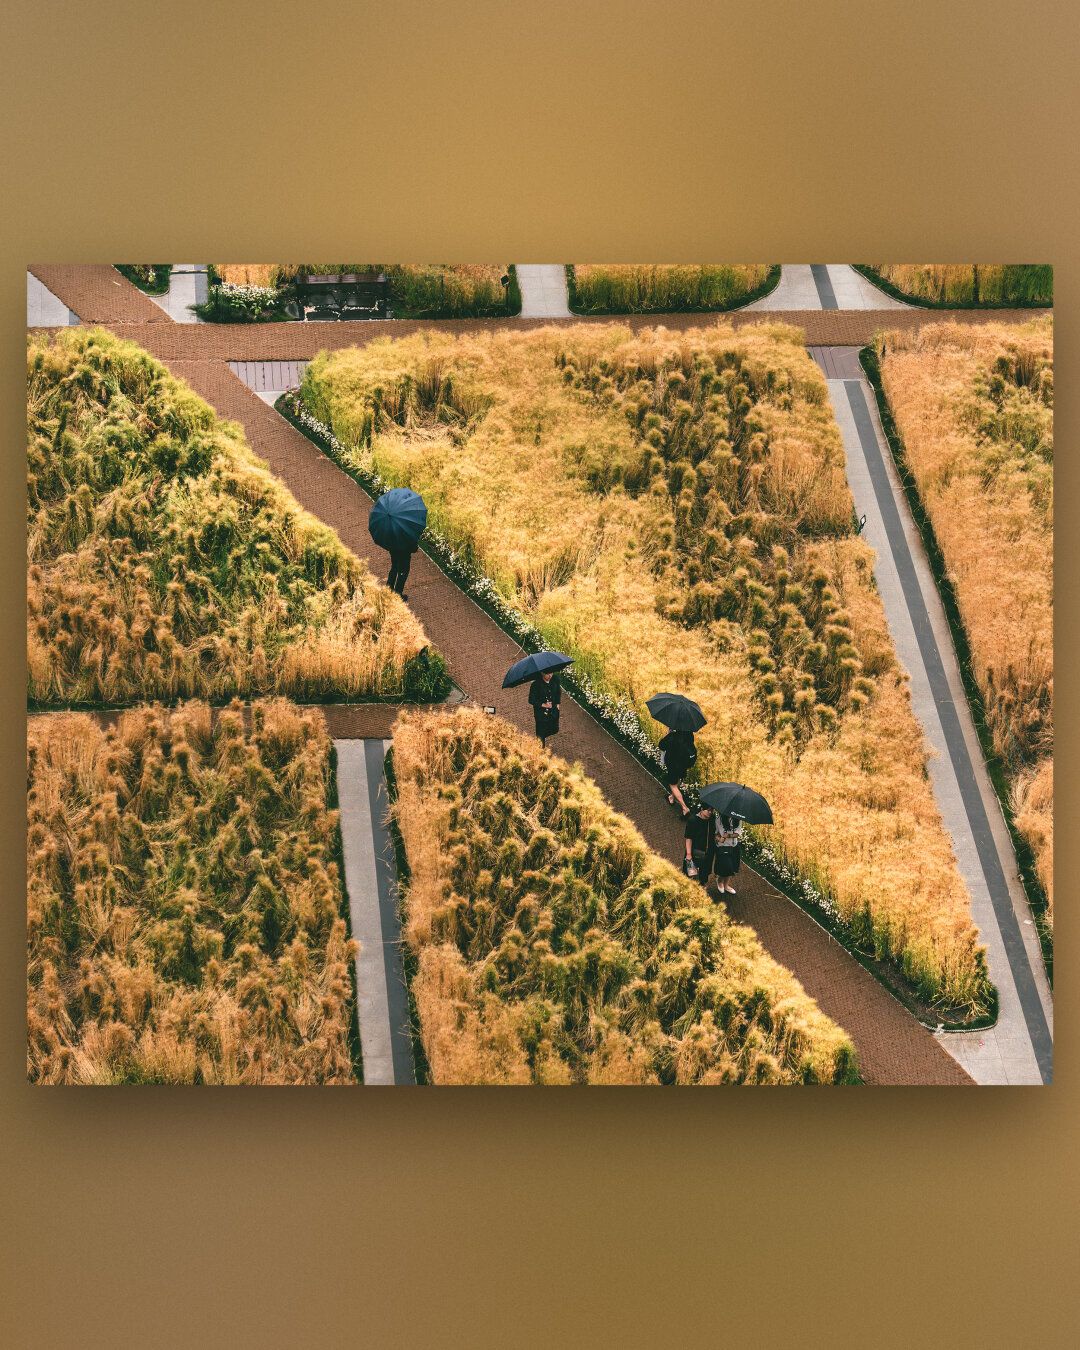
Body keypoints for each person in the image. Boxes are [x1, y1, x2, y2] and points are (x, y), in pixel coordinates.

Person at [658, 727, 696, 816]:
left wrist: (667, 735)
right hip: (684, 764)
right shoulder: (690, 735)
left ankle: (685, 808)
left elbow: (661, 745)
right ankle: (671, 797)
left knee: (672, 785)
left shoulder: (672, 736)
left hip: (673, 765)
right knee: (677, 779)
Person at [683, 804, 716, 890]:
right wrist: (689, 854)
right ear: (701, 809)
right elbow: (688, 838)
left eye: (711, 811)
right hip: (695, 851)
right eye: (708, 810)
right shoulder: (693, 820)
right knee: (691, 873)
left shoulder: (712, 819)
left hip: (708, 851)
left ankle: (701, 886)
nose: (710, 812)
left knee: (704, 873)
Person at [529, 670, 562, 748]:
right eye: (548, 674)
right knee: (540, 735)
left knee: (555, 729)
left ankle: (540, 737)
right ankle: (540, 748)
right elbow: (531, 700)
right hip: (540, 714)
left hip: (553, 711)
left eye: (551, 673)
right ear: (542, 673)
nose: (550, 675)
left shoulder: (555, 680)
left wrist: (557, 704)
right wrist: (544, 705)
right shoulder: (535, 685)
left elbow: (558, 692)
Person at [714, 813, 743, 894]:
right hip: (723, 846)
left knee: (732, 867)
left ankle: (726, 885)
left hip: (733, 846)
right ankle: (719, 881)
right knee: (726, 866)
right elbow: (715, 834)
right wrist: (720, 839)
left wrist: (728, 836)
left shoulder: (738, 818)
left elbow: (737, 834)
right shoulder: (719, 818)